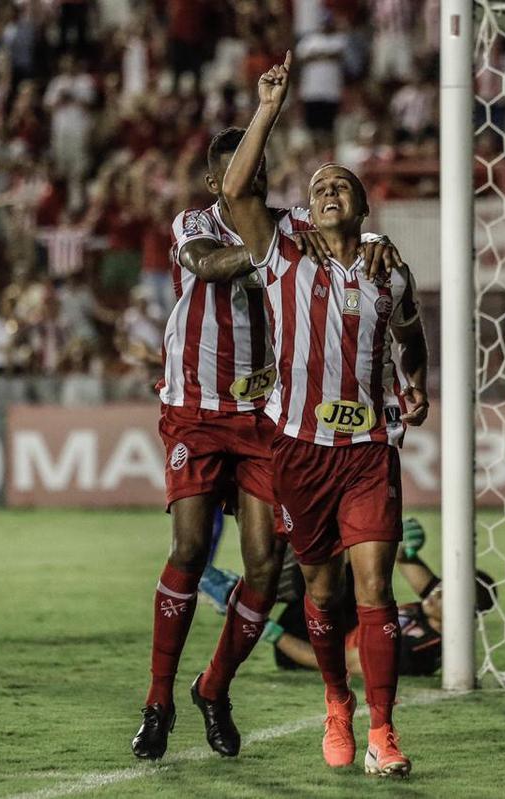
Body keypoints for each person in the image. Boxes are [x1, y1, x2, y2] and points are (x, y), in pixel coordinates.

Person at [132, 126, 403, 762]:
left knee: (262, 571)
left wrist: (378, 245)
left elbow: (349, 233)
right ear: (215, 181)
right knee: (192, 547)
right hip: (195, 410)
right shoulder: (193, 223)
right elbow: (208, 264)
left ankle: (214, 689)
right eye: (238, 175)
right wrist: (270, 256)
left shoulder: (290, 225)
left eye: (257, 175)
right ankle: (158, 700)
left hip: (265, 417)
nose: (249, 183)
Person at [223, 53, 429, 777]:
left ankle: (384, 732)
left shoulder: (387, 267)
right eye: (319, 186)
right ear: (308, 209)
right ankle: (336, 704)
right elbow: (234, 189)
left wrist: (418, 381)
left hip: (370, 448)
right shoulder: (283, 252)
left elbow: (410, 330)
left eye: (342, 184)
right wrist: (269, 110)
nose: (329, 190)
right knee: (323, 588)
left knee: (373, 584)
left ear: (363, 207)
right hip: (300, 449)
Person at [242, 518, 498, 677]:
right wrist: (407, 539)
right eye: (444, 585)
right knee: (363, 558)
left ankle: (277, 577)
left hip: (307, 646)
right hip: (339, 619)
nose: (437, 591)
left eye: (448, 595)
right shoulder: (438, 609)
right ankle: (287, 573)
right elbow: (403, 558)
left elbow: (339, 662)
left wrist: (271, 632)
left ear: (466, 614)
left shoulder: (415, 650)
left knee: (345, 568)